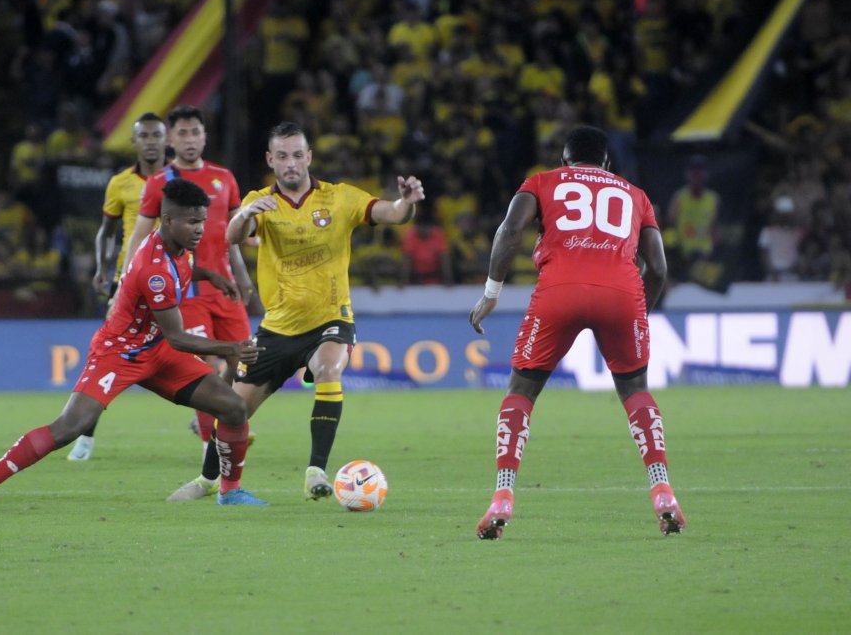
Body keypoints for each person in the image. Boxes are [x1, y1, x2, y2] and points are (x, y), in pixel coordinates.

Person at [0, 179, 267, 512]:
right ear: (168, 220)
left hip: (157, 349)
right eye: (192, 222)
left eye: (202, 220)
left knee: (233, 408)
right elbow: (178, 337)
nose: (200, 229)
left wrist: (210, 275)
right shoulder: (152, 269)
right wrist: (230, 348)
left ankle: (229, 492)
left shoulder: (178, 247)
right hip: (121, 352)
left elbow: (183, 273)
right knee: (70, 427)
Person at [169, 121, 425, 502]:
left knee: (328, 368)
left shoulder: (339, 198)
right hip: (278, 328)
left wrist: (407, 202)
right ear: (271, 160)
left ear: (309, 157)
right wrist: (244, 213)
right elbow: (232, 237)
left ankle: (316, 471)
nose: (291, 163)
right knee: (234, 409)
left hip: (330, 318)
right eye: (283, 156)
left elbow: (391, 213)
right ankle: (209, 481)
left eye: (297, 155)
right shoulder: (262, 202)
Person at [468, 126, 686, 539]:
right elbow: (658, 268)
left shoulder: (542, 182)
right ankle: (662, 489)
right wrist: (638, 313)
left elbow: (509, 231)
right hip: (622, 293)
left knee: (521, 391)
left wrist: (491, 293)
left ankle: (502, 495)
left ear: (565, 161)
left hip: (559, 292)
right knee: (636, 391)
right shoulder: (635, 194)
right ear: (606, 163)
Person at [123, 106, 257, 482]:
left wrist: (244, 279)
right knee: (204, 369)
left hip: (224, 289)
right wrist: (128, 282)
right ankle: (208, 449)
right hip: (186, 292)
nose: (190, 139)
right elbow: (140, 235)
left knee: (242, 364)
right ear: (171, 138)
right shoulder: (159, 184)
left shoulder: (224, 178)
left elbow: (233, 238)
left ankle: (220, 426)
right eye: (182, 133)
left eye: (195, 131)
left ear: (204, 136)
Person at [63, 112, 167, 461]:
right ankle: (86, 435)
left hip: (175, 279)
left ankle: (210, 433)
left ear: (166, 140)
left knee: (193, 351)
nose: (151, 141)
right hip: (130, 281)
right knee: (110, 357)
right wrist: (102, 269)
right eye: (145, 135)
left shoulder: (179, 181)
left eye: (156, 135)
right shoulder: (119, 183)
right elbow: (106, 231)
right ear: (134, 142)